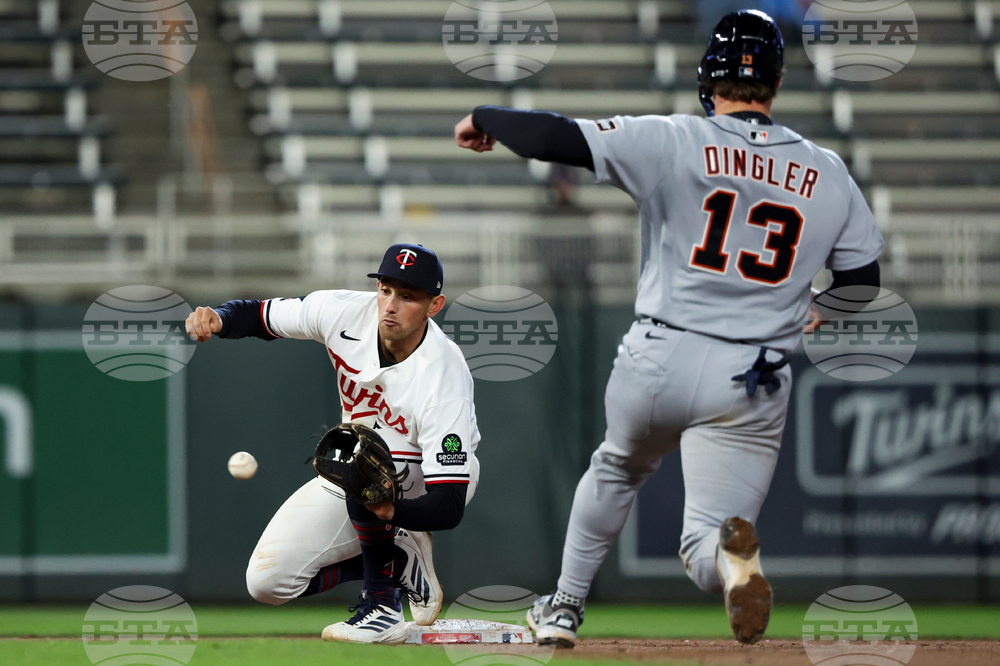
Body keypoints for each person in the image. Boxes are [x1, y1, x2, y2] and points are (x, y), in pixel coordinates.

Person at [454, 10, 882, 647]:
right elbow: (863, 283)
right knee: (706, 539)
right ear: (779, 78)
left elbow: (559, 138)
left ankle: (565, 606)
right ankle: (731, 567)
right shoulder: (827, 171)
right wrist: (815, 303)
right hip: (753, 377)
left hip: (662, 351)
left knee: (617, 468)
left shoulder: (676, 138)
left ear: (708, 75)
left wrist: (488, 116)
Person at [185, 243, 481, 644]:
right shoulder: (341, 311)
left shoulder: (444, 375)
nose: (390, 305)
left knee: (362, 456)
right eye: (385, 289)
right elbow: (259, 315)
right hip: (359, 472)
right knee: (267, 583)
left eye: (407, 296)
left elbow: (449, 505)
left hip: (427, 479)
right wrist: (218, 317)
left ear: (435, 305)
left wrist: (393, 510)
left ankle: (380, 606)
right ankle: (399, 559)